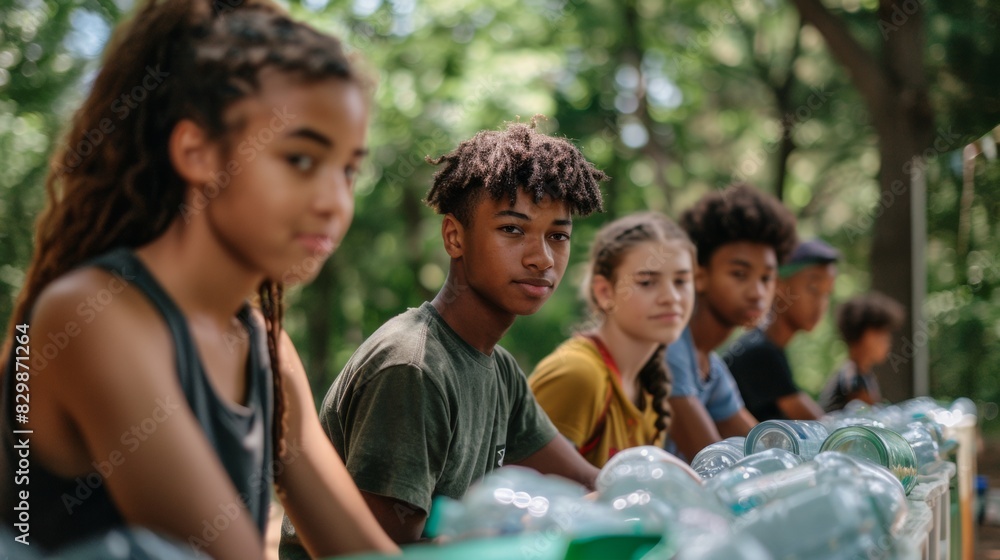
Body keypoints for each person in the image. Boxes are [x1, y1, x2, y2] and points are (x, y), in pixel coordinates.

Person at [0, 1, 398, 558]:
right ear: (198, 152)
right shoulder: (92, 314)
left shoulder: (264, 347)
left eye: (349, 169)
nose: (335, 202)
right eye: (302, 160)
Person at [279, 119, 608, 553]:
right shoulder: (413, 366)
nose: (541, 258)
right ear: (455, 236)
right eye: (512, 229)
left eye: (558, 236)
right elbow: (382, 553)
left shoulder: (500, 370)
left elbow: (586, 482)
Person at [530, 212, 695, 468]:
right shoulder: (578, 375)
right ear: (605, 292)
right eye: (648, 282)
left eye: (681, 281)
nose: (671, 297)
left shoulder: (650, 388)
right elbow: (526, 495)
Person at [664, 183, 798, 461]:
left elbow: (765, 450)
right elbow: (713, 464)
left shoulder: (712, 368)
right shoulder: (668, 348)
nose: (757, 293)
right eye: (739, 274)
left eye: (766, 278)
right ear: (699, 276)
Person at [725, 239, 839, 421]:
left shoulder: (772, 348)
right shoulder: (759, 353)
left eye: (827, 293)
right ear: (779, 286)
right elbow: (821, 427)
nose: (821, 304)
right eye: (813, 288)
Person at [819, 292, 905, 412]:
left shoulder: (864, 376)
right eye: (880, 334)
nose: (887, 341)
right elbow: (870, 420)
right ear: (858, 334)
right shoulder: (853, 377)